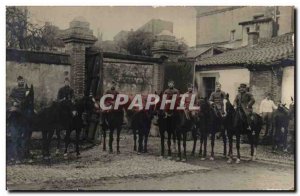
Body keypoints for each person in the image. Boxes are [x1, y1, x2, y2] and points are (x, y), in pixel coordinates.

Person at [7, 76, 30, 163]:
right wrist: (14, 102)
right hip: (15, 106)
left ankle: (22, 156)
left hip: (23, 108)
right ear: (17, 81)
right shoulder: (14, 89)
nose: (21, 82)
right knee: (12, 112)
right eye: (20, 81)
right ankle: (9, 127)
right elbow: (10, 97)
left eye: (22, 81)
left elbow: (28, 99)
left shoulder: (25, 90)